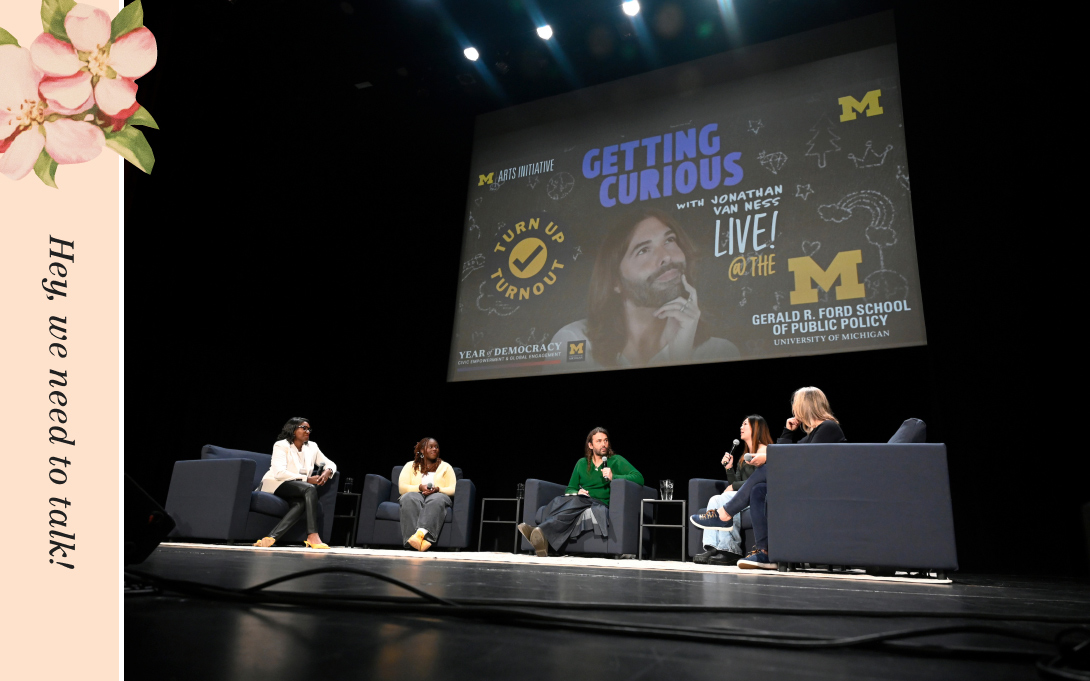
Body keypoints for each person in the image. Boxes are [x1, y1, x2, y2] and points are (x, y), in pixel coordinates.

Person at [550, 208, 739, 368]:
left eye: (669, 240)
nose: (666, 256)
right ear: (615, 282)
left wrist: (679, 357)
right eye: (643, 250)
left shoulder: (720, 352)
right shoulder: (573, 342)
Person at [690, 387, 846, 570]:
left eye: (796, 406)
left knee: (767, 468)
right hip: (805, 487)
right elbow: (785, 454)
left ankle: (724, 514)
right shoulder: (812, 434)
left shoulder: (828, 427)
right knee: (758, 490)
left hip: (821, 490)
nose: (794, 411)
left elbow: (801, 460)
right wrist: (788, 431)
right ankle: (764, 553)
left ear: (805, 406)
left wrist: (767, 458)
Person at [518, 427, 644, 557]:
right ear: (590, 445)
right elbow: (570, 488)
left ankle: (540, 532)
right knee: (561, 500)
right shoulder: (582, 463)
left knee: (569, 502)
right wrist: (578, 491)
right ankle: (543, 540)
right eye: (599, 441)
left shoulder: (616, 460)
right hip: (583, 500)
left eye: (606, 441)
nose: (604, 444)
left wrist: (614, 477)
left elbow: (639, 477)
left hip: (599, 503)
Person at [691, 415, 773, 565]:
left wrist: (734, 486)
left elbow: (756, 480)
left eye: (745, 424)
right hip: (743, 496)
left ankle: (729, 550)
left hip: (759, 496)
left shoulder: (765, 452)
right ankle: (712, 548)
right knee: (715, 499)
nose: (741, 428)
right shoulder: (743, 456)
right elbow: (734, 484)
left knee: (722, 499)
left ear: (756, 428)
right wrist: (729, 469)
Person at [253, 417, 336, 549]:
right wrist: (307, 479)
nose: (307, 431)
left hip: (296, 487)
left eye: (309, 429)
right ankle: (313, 535)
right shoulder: (281, 445)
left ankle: (271, 537)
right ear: (292, 430)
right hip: (276, 483)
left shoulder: (312, 446)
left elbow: (330, 462)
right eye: (304, 428)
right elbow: (279, 473)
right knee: (309, 489)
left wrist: (328, 471)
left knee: (302, 503)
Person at [397, 437, 458, 552]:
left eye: (436, 447)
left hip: (438, 495)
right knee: (408, 497)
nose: (435, 449)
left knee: (436, 499)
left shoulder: (446, 467)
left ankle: (419, 535)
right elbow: (402, 488)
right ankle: (420, 542)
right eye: (431, 447)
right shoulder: (410, 465)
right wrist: (419, 487)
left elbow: (453, 489)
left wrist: (438, 489)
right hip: (417, 494)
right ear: (422, 450)